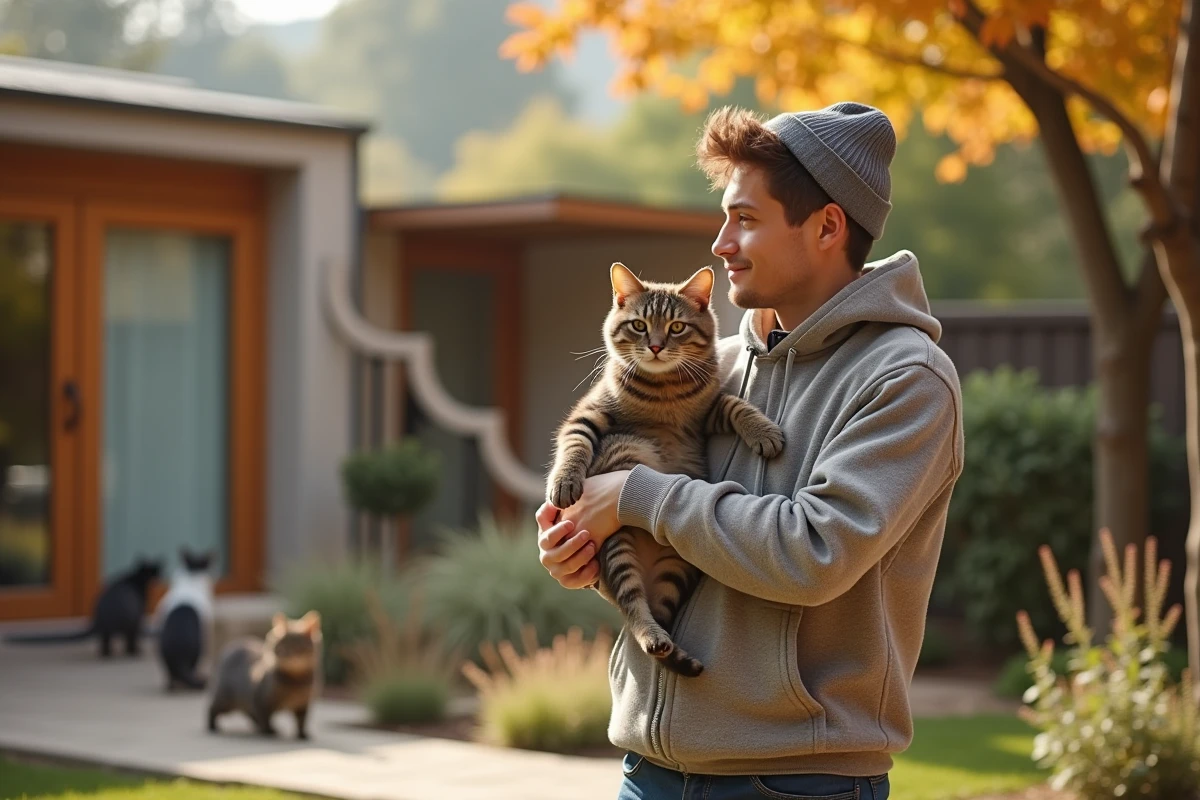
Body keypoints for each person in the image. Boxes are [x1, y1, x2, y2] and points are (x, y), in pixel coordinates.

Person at [536, 102, 964, 800]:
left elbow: (814, 553)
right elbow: (672, 535)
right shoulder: (715, 365)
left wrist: (638, 496)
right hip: (649, 771)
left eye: (746, 218)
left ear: (827, 226)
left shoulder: (905, 379)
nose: (721, 242)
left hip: (794, 782)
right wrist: (582, 548)